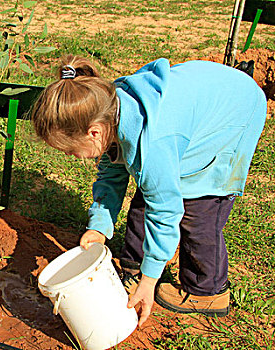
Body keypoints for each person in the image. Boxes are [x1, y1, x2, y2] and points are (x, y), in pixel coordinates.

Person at [31, 55, 266, 326]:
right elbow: (112, 173)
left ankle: (208, 291)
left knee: (198, 210)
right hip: (197, 99)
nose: (72, 156)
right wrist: (99, 226)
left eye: (70, 150)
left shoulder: (154, 142)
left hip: (233, 110)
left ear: (94, 132)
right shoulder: (106, 108)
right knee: (152, 186)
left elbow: (165, 209)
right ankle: (134, 263)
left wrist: (150, 281)